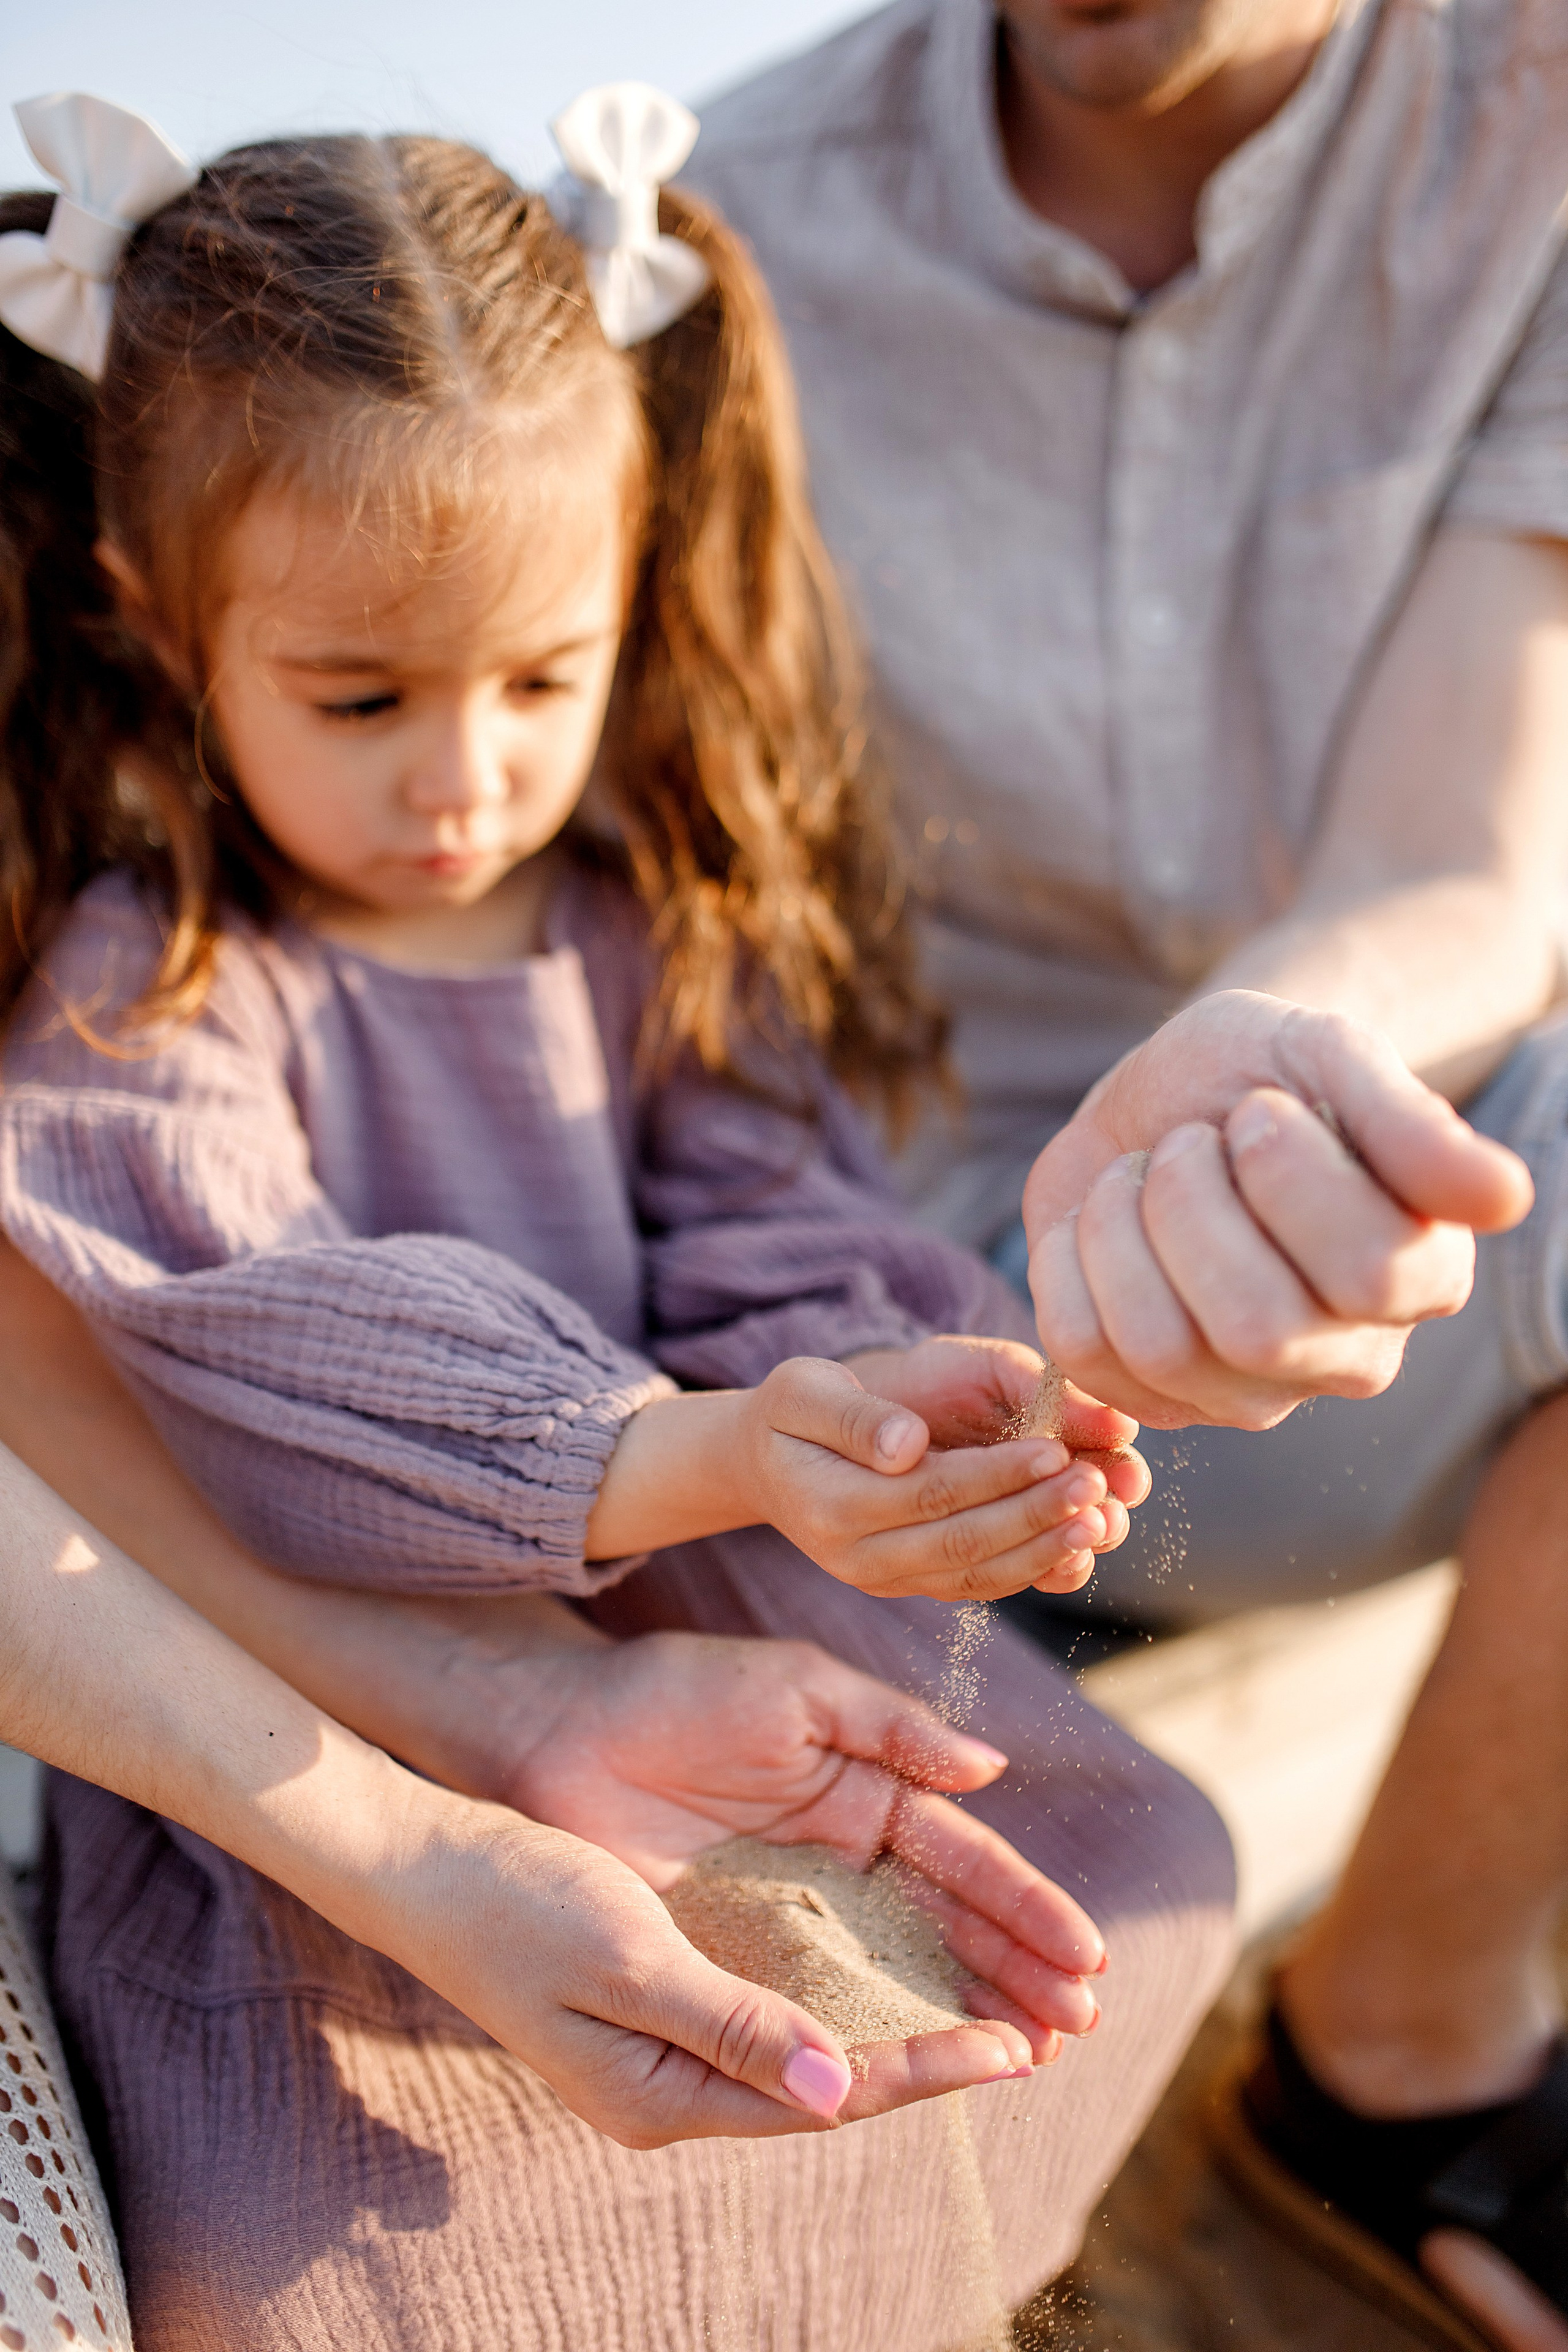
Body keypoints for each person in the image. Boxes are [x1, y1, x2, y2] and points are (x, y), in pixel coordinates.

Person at [0, 79, 1529, 2352]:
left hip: (706, 1603)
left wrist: (903, 1412)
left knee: (1137, 1875)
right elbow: (257, 1344)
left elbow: (765, 1217)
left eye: (544, 679)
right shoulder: (161, 981)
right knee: (318, 2236)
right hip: (328, 1687)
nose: (466, 778)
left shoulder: (636, 930)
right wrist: (695, 1452)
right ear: (155, 617)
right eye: (362, 695)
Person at [687, 0, 1568, 2342]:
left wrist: (1274, 1075)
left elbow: (1466, 846)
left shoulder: (1541, 127)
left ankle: (1392, 2058)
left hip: (1361, 1228)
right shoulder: (721, 215)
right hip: (894, 1317)